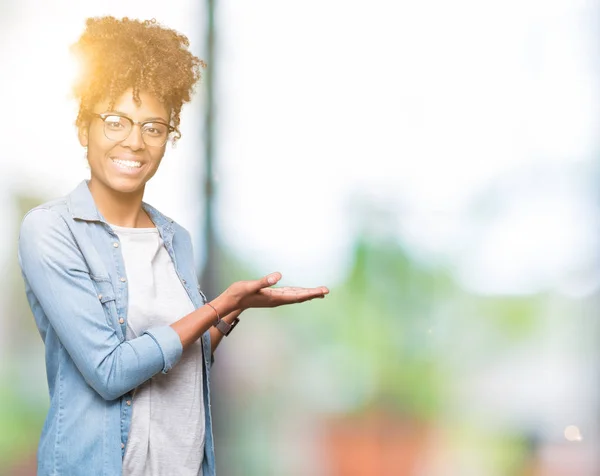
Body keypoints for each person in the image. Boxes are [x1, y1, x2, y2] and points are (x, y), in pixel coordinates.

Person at [17, 16, 328, 476]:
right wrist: (218, 304)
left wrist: (235, 310)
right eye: (116, 121)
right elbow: (110, 370)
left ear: (168, 139)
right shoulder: (50, 230)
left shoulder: (173, 237)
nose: (134, 142)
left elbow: (181, 363)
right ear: (84, 128)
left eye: (153, 128)